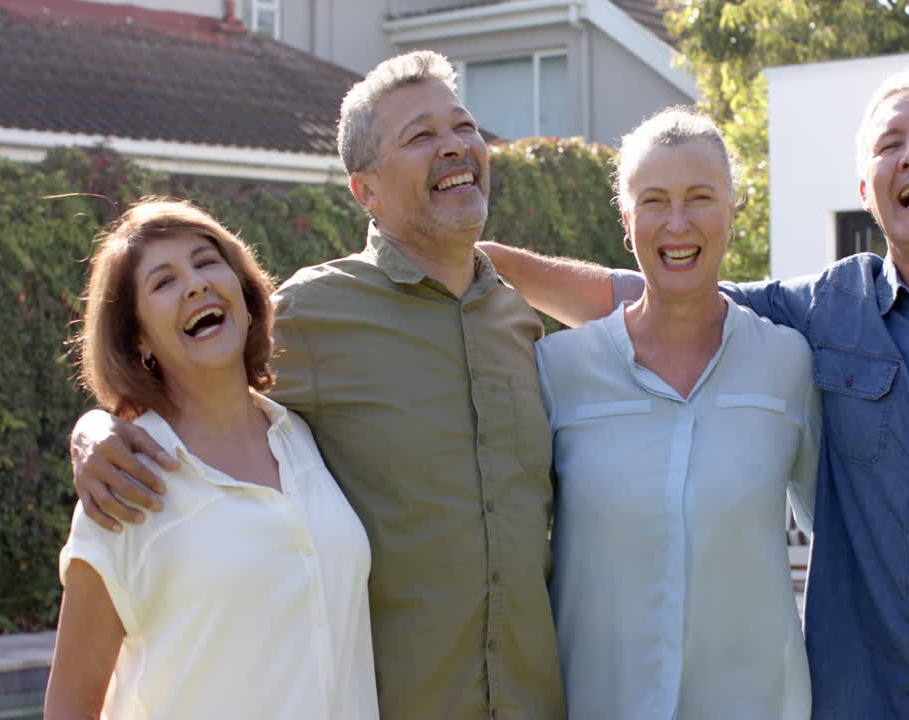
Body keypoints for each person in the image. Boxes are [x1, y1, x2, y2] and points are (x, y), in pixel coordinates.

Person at [480, 71, 909, 719]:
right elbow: (662, 292)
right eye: (888, 146)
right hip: (867, 701)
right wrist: (466, 258)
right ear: (865, 190)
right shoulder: (825, 309)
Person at [65, 52, 564, 720]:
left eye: (464, 127)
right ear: (366, 190)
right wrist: (93, 431)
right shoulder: (315, 315)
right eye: (421, 136)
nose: (454, 147)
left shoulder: (518, 319)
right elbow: (197, 392)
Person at [44, 199, 377, 719]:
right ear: (138, 338)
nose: (195, 284)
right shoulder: (124, 482)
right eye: (163, 282)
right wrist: (92, 428)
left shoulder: (306, 436)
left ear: (242, 292)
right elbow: (69, 708)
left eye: (205, 262)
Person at [539, 107, 820, 719]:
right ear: (625, 218)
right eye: (654, 201)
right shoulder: (557, 371)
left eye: (699, 197)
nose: (677, 223)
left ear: (733, 211)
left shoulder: (790, 364)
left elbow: (846, 539)